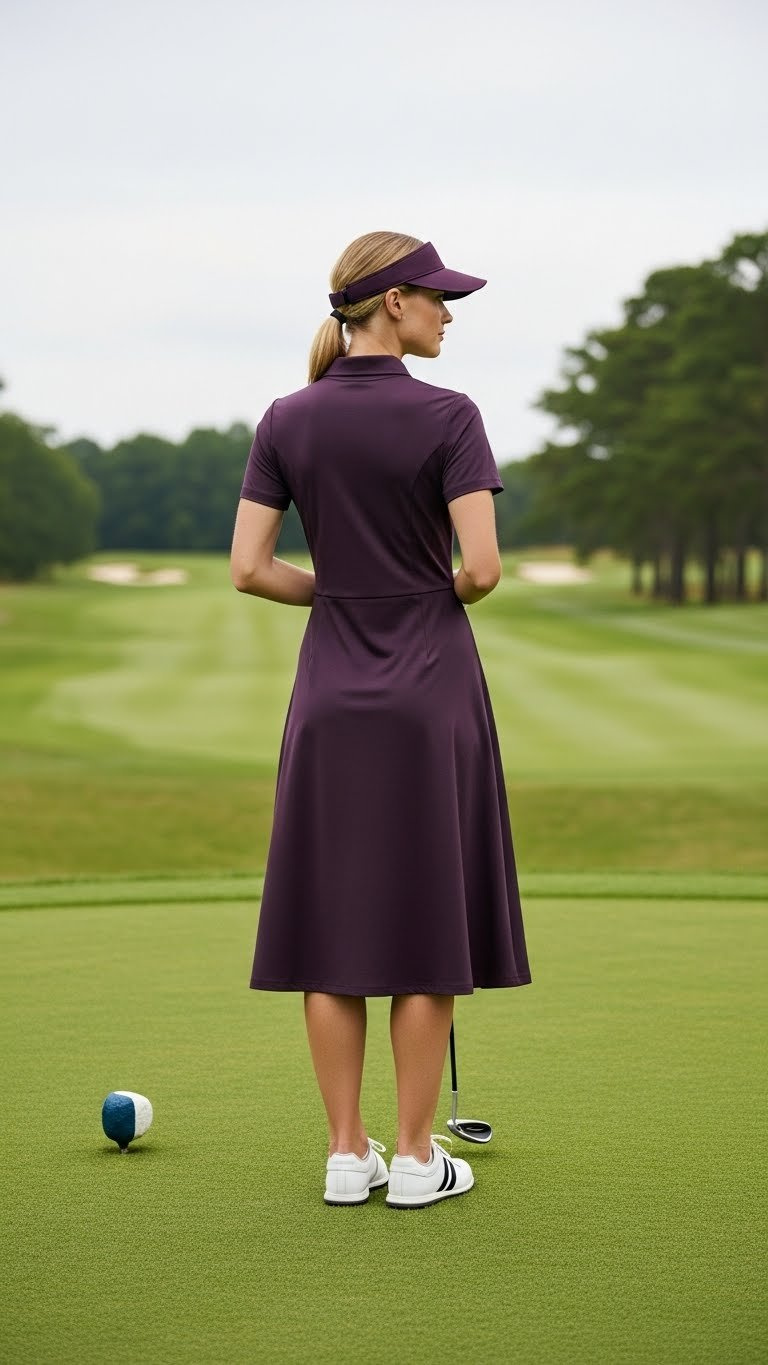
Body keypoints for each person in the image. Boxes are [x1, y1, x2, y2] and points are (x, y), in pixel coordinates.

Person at [230, 231, 532, 1209]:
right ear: (394, 304)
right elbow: (481, 571)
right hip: (429, 692)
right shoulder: (451, 416)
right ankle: (413, 1158)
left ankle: (344, 1153)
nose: (449, 314)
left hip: (328, 699)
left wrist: (344, 593)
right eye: (440, 298)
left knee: (333, 927)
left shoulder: (286, 418)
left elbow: (249, 568)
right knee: (424, 919)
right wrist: (415, 592)